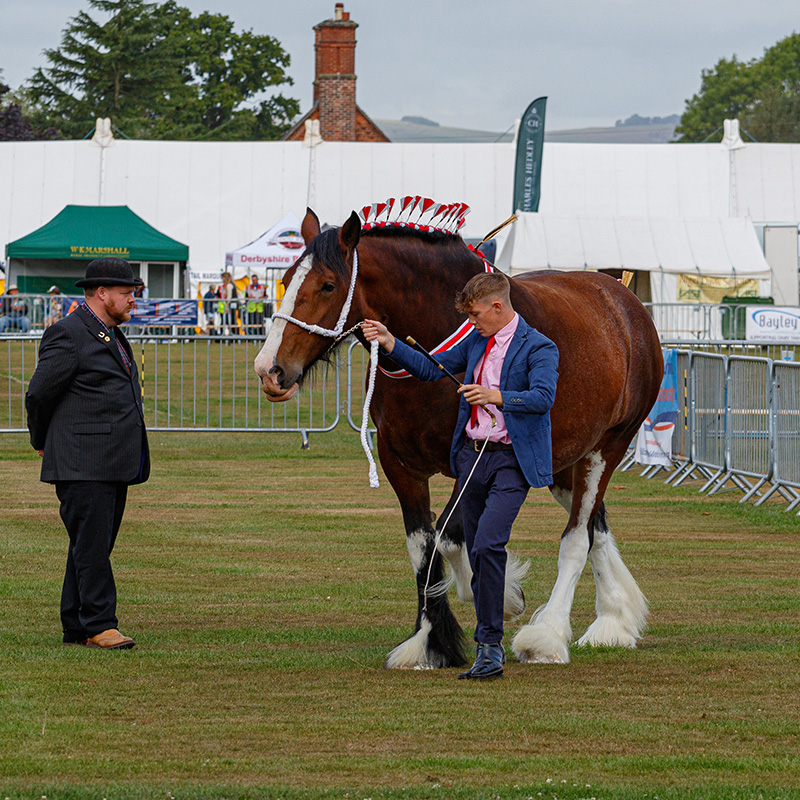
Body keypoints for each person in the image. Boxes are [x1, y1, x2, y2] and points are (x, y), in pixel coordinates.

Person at [363, 271, 559, 680]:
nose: (471, 323)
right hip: (470, 458)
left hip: (510, 462)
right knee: (476, 551)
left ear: (497, 307)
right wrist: (390, 342)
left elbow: (543, 398)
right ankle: (489, 643)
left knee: (488, 543)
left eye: (475, 315)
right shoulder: (476, 341)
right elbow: (431, 368)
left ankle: (490, 647)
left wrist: (496, 396)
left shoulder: (540, 347)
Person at [25, 258, 150, 650]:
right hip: (83, 461)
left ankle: (76, 624)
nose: (133, 300)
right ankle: (99, 624)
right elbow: (39, 394)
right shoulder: (68, 334)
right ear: (102, 293)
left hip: (109, 460)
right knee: (93, 545)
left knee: (89, 544)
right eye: (128, 293)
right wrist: (42, 439)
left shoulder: (108, 333)